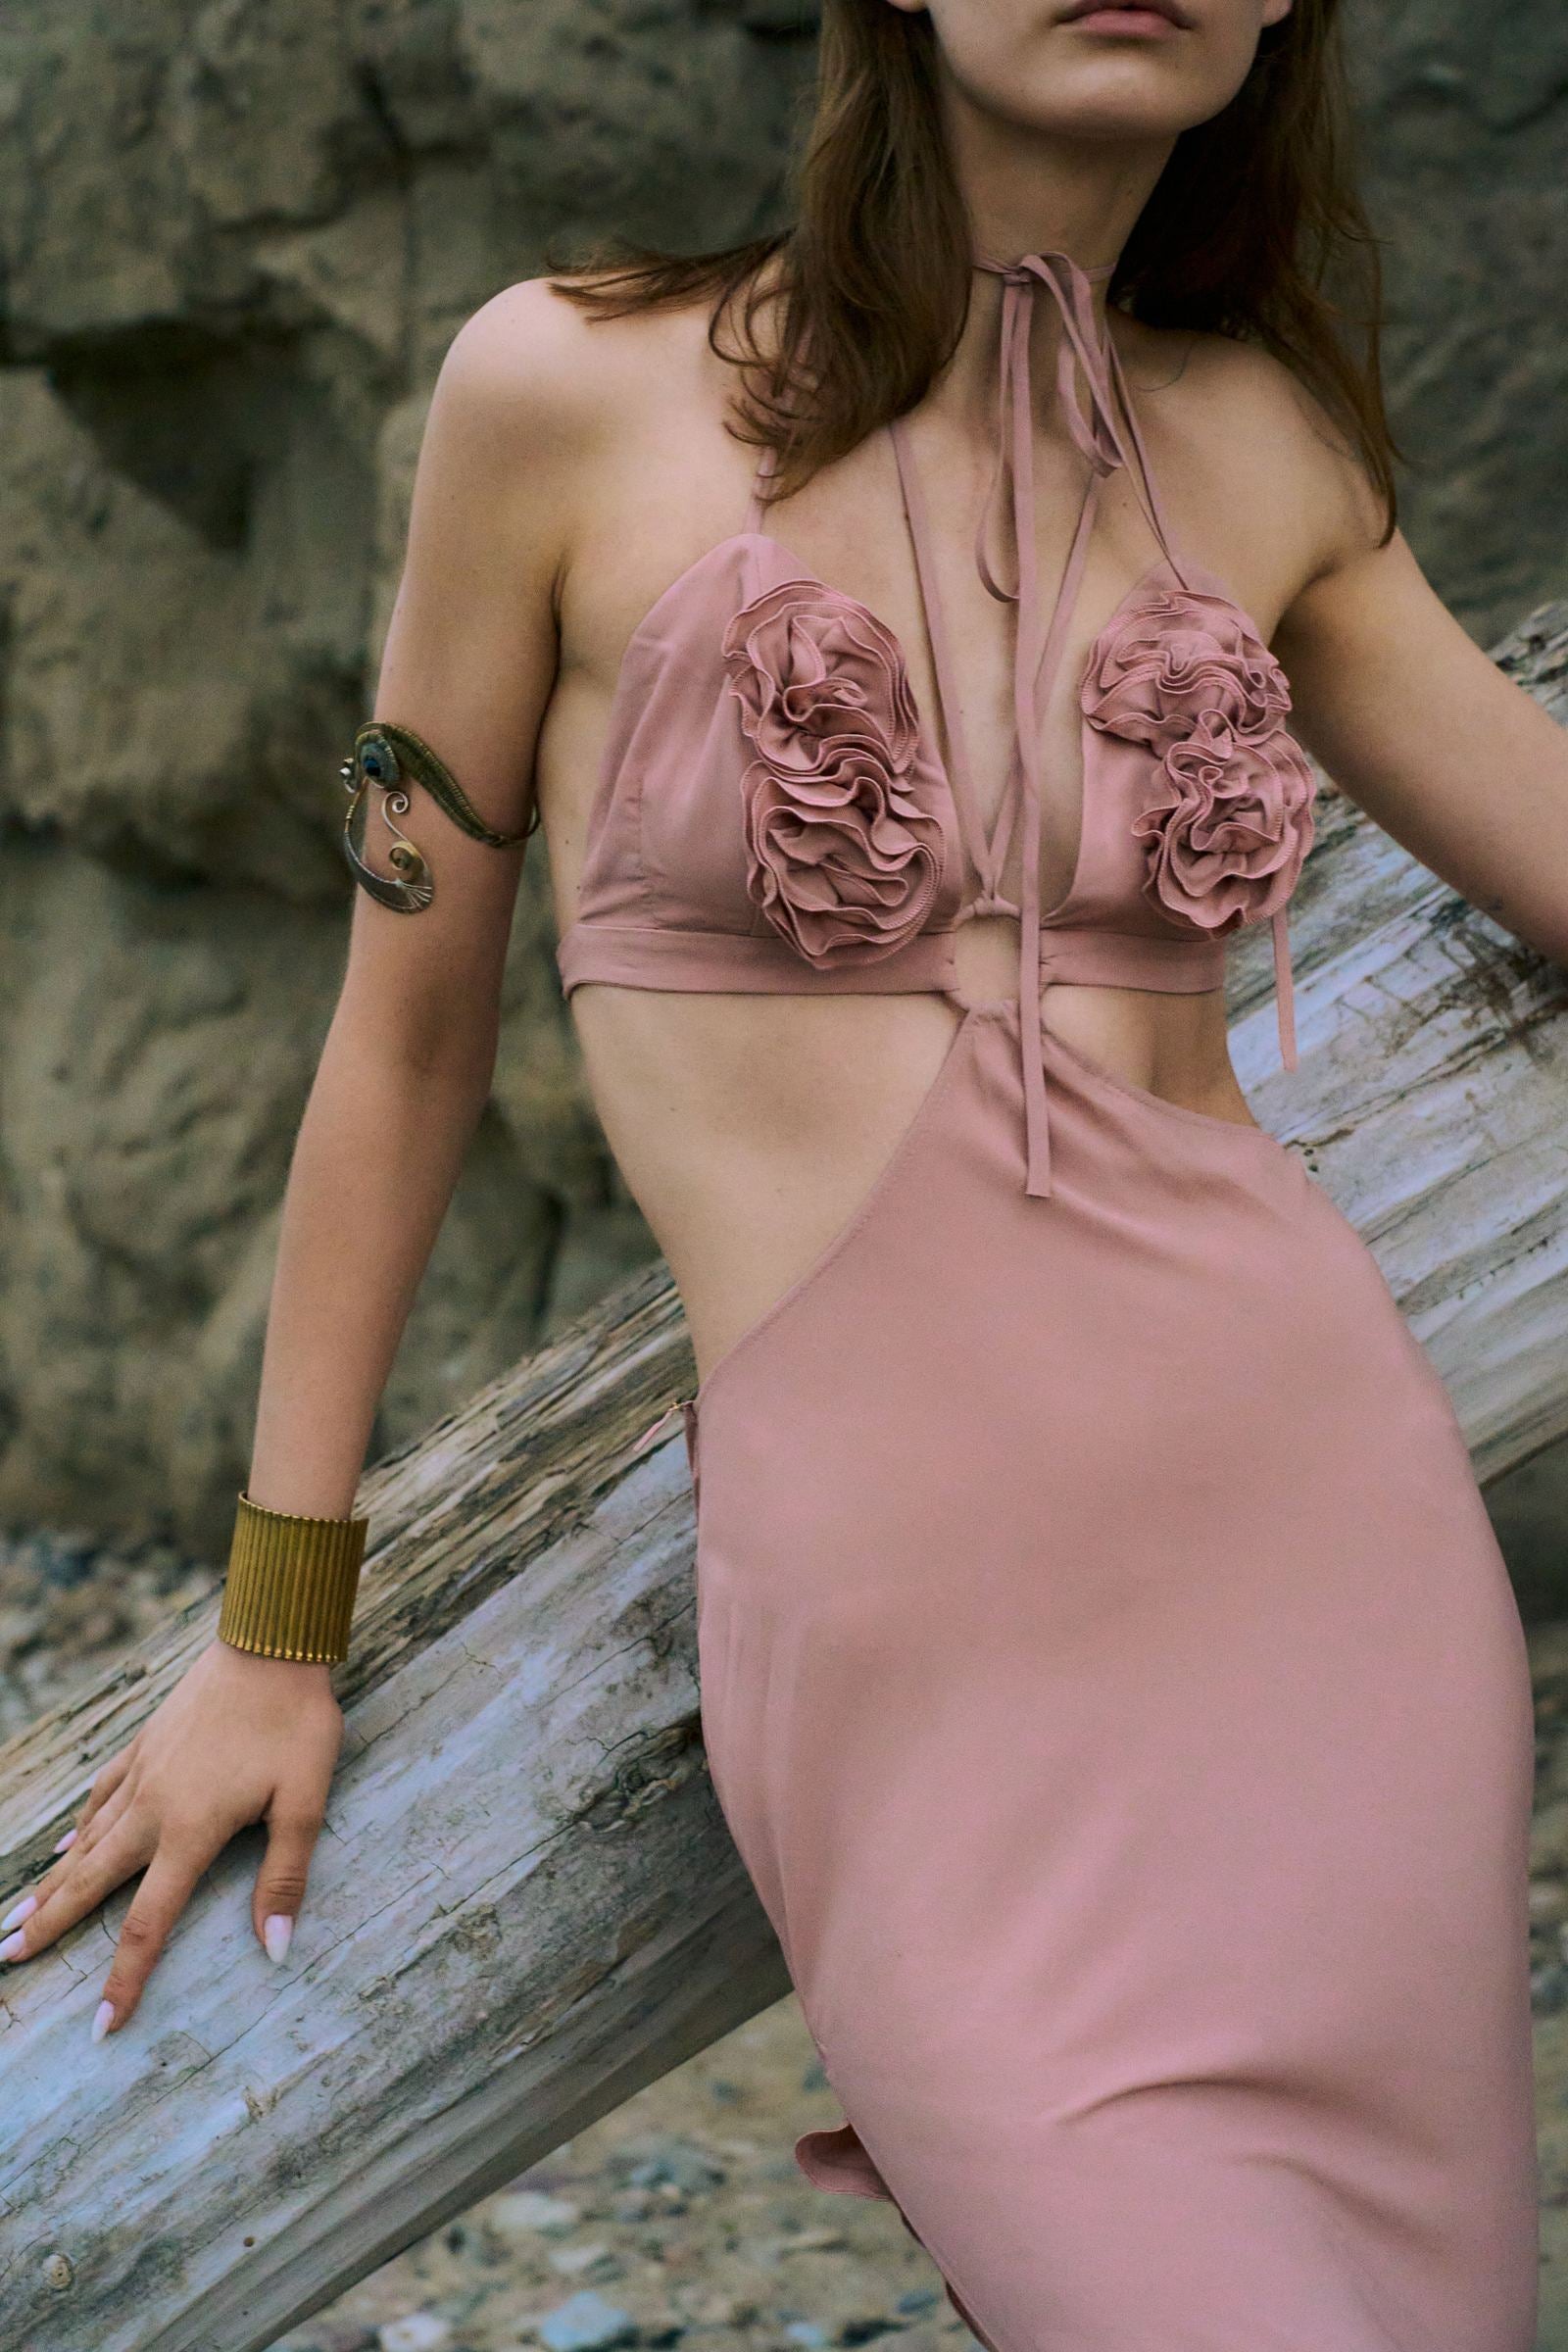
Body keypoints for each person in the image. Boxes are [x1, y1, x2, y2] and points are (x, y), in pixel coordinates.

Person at [7, 0, 1566, 2338]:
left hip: (1319, 1596)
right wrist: (276, 1622)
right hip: (911, 1678)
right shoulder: (558, 389)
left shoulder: (1261, 447)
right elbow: (401, 1039)